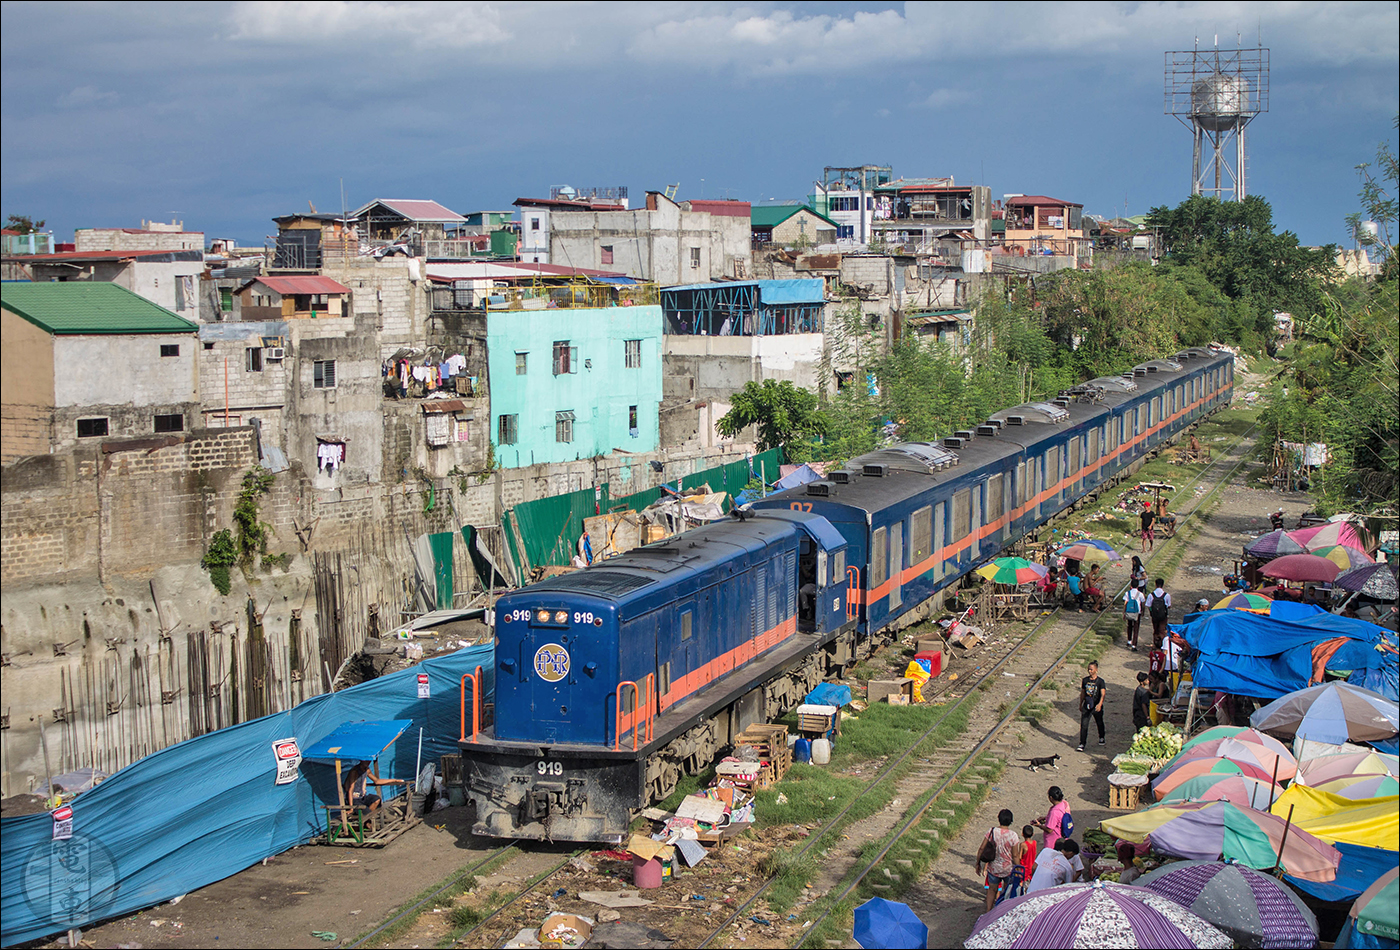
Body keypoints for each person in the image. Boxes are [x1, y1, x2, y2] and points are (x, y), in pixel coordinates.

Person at [976, 808, 1024, 912]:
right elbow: (1015, 855)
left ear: (999, 819)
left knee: (991, 890)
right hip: (1008, 869)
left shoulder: (992, 831)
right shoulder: (1013, 836)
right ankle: (1002, 912)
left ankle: (988, 911)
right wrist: (1019, 868)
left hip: (993, 867)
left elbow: (981, 848)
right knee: (1006, 891)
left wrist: (978, 863)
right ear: (1011, 821)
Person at [1002, 825, 1038, 901]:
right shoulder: (1035, 843)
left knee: (1020, 884)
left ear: (1022, 834)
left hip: (1024, 868)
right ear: (1033, 834)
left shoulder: (1023, 844)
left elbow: (1020, 856)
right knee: (1028, 885)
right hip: (1031, 867)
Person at [1033, 786, 1073, 852]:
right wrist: (1046, 818)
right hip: (1061, 836)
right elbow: (1059, 817)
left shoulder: (1054, 812)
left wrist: (1039, 825)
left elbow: (1049, 830)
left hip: (1053, 840)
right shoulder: (1063, 804)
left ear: (1051, 798)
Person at [1078, 661, 1107, 750]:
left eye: (1091, 669)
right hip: (1087, 705)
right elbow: (1083, 692)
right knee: (1084, 725)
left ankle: (1101, 736)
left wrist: (1100, 704)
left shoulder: (1100, 681)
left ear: (1096, 670)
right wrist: (1081, 703)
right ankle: (1082, 743)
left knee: (1099, 722)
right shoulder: (1085, 680)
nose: (1090, 671)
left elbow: (1103, 694)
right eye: (1089, 669)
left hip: (1096, 705)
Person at [1147, 579, 1172, 647]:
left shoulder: (1151, 595)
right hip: (1163, 616)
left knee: (1155, 630)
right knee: (1162, 631)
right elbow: (1169, 606)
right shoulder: (1166, 595)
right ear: (1162, 585)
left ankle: (1155, 645)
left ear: (1156, 584)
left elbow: (1148, 606)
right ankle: (1162, 645)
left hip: (1154, 616)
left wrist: (1152, 612)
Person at [1123, 580, 1146, 651]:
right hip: (1137, 612)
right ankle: (1134, 645)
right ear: (1138, 586)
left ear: (1131, 585)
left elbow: (1125, 603)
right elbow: (1143, 603)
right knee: (1136, 628)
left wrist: (1124, 612)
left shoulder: (1127, 593)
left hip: (1129, 611)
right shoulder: (1140, 594)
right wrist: (1142, 611)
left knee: (1129, 626)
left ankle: (1129, 640)